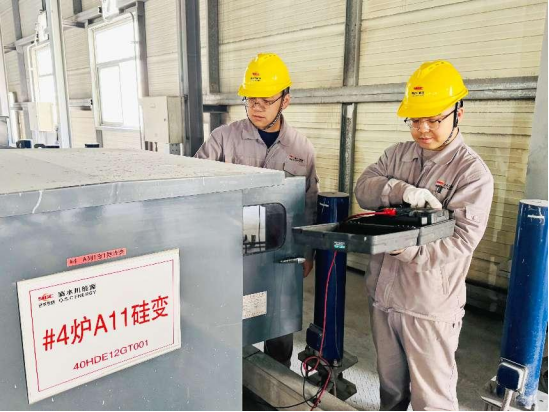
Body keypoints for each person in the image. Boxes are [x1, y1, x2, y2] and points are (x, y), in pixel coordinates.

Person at [355, 60, 494, 411]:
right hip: (383, 297)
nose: (423, 129)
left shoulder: (472, 174)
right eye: (416, 120)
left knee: (431, 400)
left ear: (458, 113)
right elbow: (364, 189)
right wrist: (401, 190)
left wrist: (402, 248)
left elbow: (461, 240)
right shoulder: (397, 155)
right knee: (391, 392)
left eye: (434, 119)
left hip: (427, 306)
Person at [195, 53, 319, 368]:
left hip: (281, 252)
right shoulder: (223, 139)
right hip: (231, 250)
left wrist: (307, 253)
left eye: (266, 101)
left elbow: (309, 203)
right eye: (251, 100)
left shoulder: (301, 149)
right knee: (230, 320)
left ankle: (276, 381)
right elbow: (196, 187)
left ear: (285, 100)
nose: (257, 108)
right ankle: (230, 379)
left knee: (279, 323)